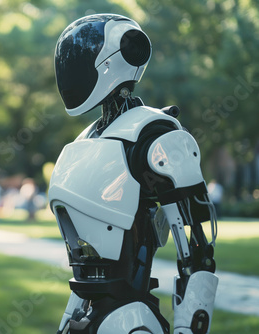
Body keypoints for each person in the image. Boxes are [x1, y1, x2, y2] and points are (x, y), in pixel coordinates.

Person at [49, 14, 218, 334]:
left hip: (130, 319)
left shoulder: (154, 133)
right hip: (88, 312)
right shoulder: (88, 139)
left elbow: (197, 251)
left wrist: (190, 327)